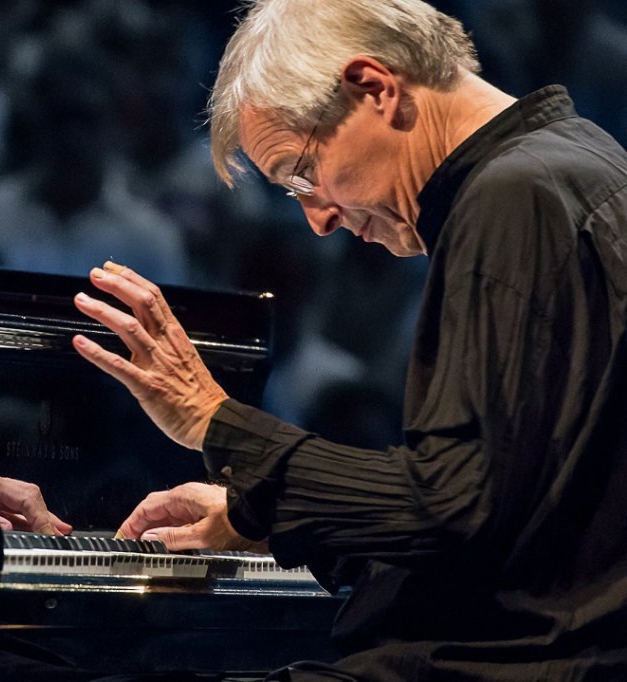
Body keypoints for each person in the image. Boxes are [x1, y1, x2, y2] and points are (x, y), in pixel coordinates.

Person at [71, 0, 627, 679]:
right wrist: (259, 515)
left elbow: (453, 511)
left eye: (302, 174)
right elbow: (507, 507)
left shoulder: (512, 196)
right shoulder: (582, 157)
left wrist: (218, 425)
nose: (319, 221)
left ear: (375, 88)